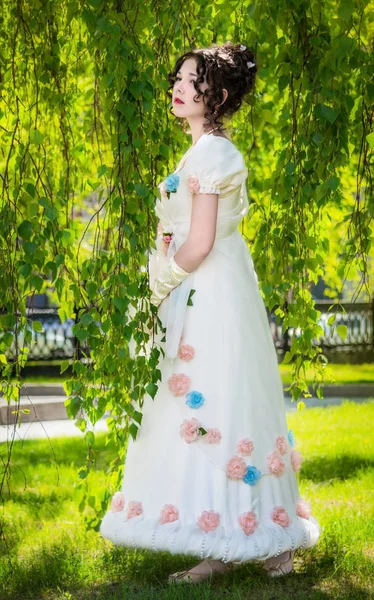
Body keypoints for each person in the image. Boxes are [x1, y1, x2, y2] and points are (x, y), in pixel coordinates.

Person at [99, 41, 321, 584]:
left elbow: (197, 242)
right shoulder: (197, 153)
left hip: (210, 289)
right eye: (177, 76)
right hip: (197, 286)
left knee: (225, 406)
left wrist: (157, 286)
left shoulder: (216, 154)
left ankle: (259, 537)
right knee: (205, 407)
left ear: (217, 96)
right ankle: (224, 536)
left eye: (191, 79)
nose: (178, 85)